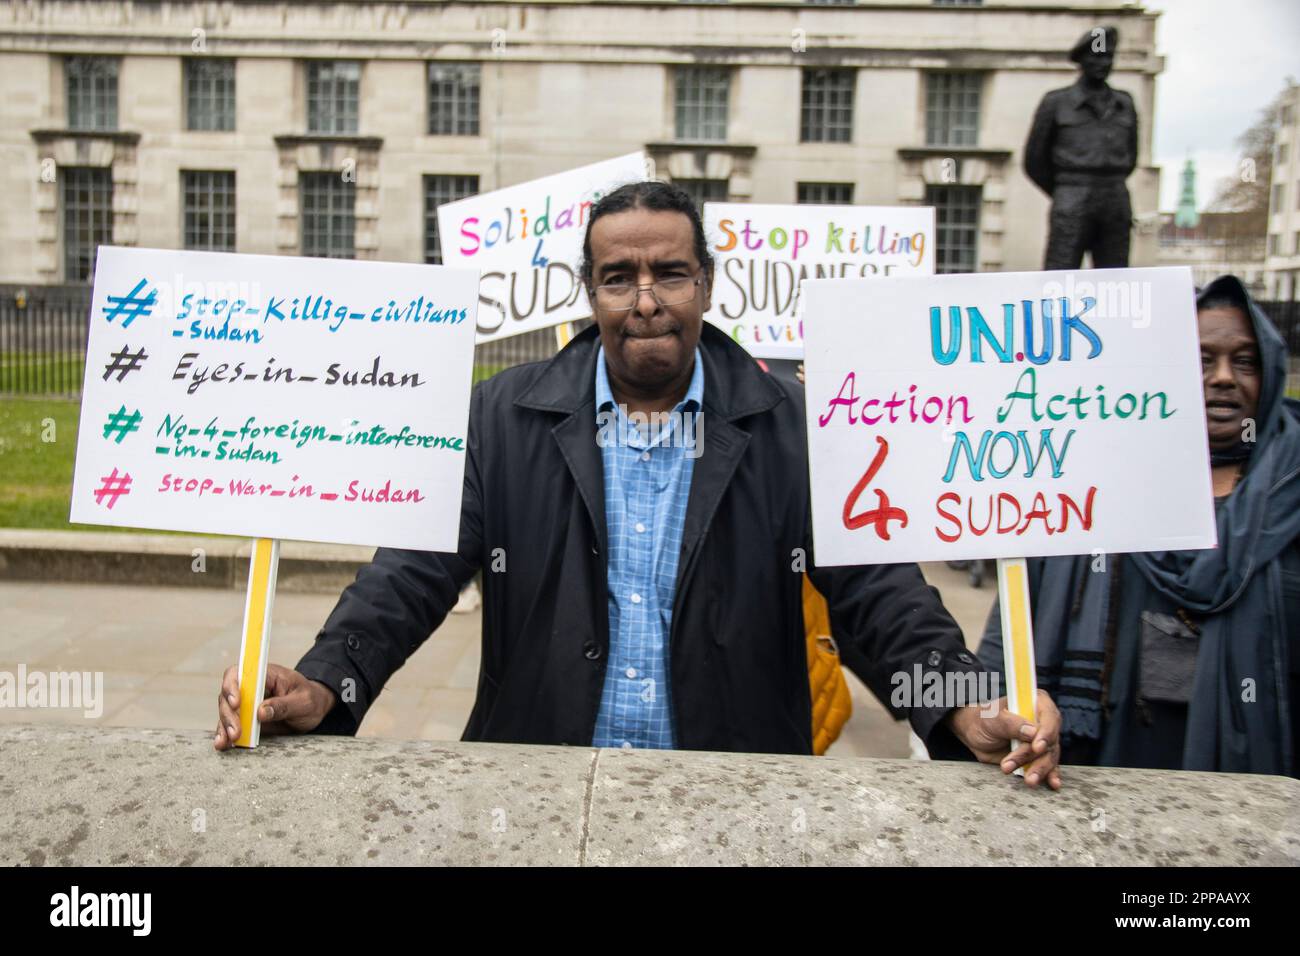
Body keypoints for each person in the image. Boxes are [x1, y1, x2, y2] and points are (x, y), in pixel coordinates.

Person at [215, 181, 1063, 788]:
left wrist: (963, 702)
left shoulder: (791, 423)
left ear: (707, 284)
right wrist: (326, 682)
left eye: (670, 274)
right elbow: (408, 575)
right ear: (591, 292)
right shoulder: (501, 417)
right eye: (619, 277)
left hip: (737, 791)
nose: (646, 299)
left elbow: (880, 594)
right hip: (537, 782)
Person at [978, 275, 1300, 776]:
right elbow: (1009, 641)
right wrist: (993, 709)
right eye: (1199, 360)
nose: (1221, 377)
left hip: (1256, 781)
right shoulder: (1086, 477)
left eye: (1244, 362)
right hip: (1102, 770)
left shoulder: (1290, 489)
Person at [1023, 25, 1138, 269]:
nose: (1103, 63)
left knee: (1115, 279)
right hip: (1072, 195)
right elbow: (1033, 160)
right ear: (1082, 60)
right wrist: (1065, 190)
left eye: (1108, 56)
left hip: (1115, 198)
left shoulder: (1124, 104)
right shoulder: (1056, 102)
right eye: (1096, 56)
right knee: (1060, 276)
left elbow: (1132, 156)